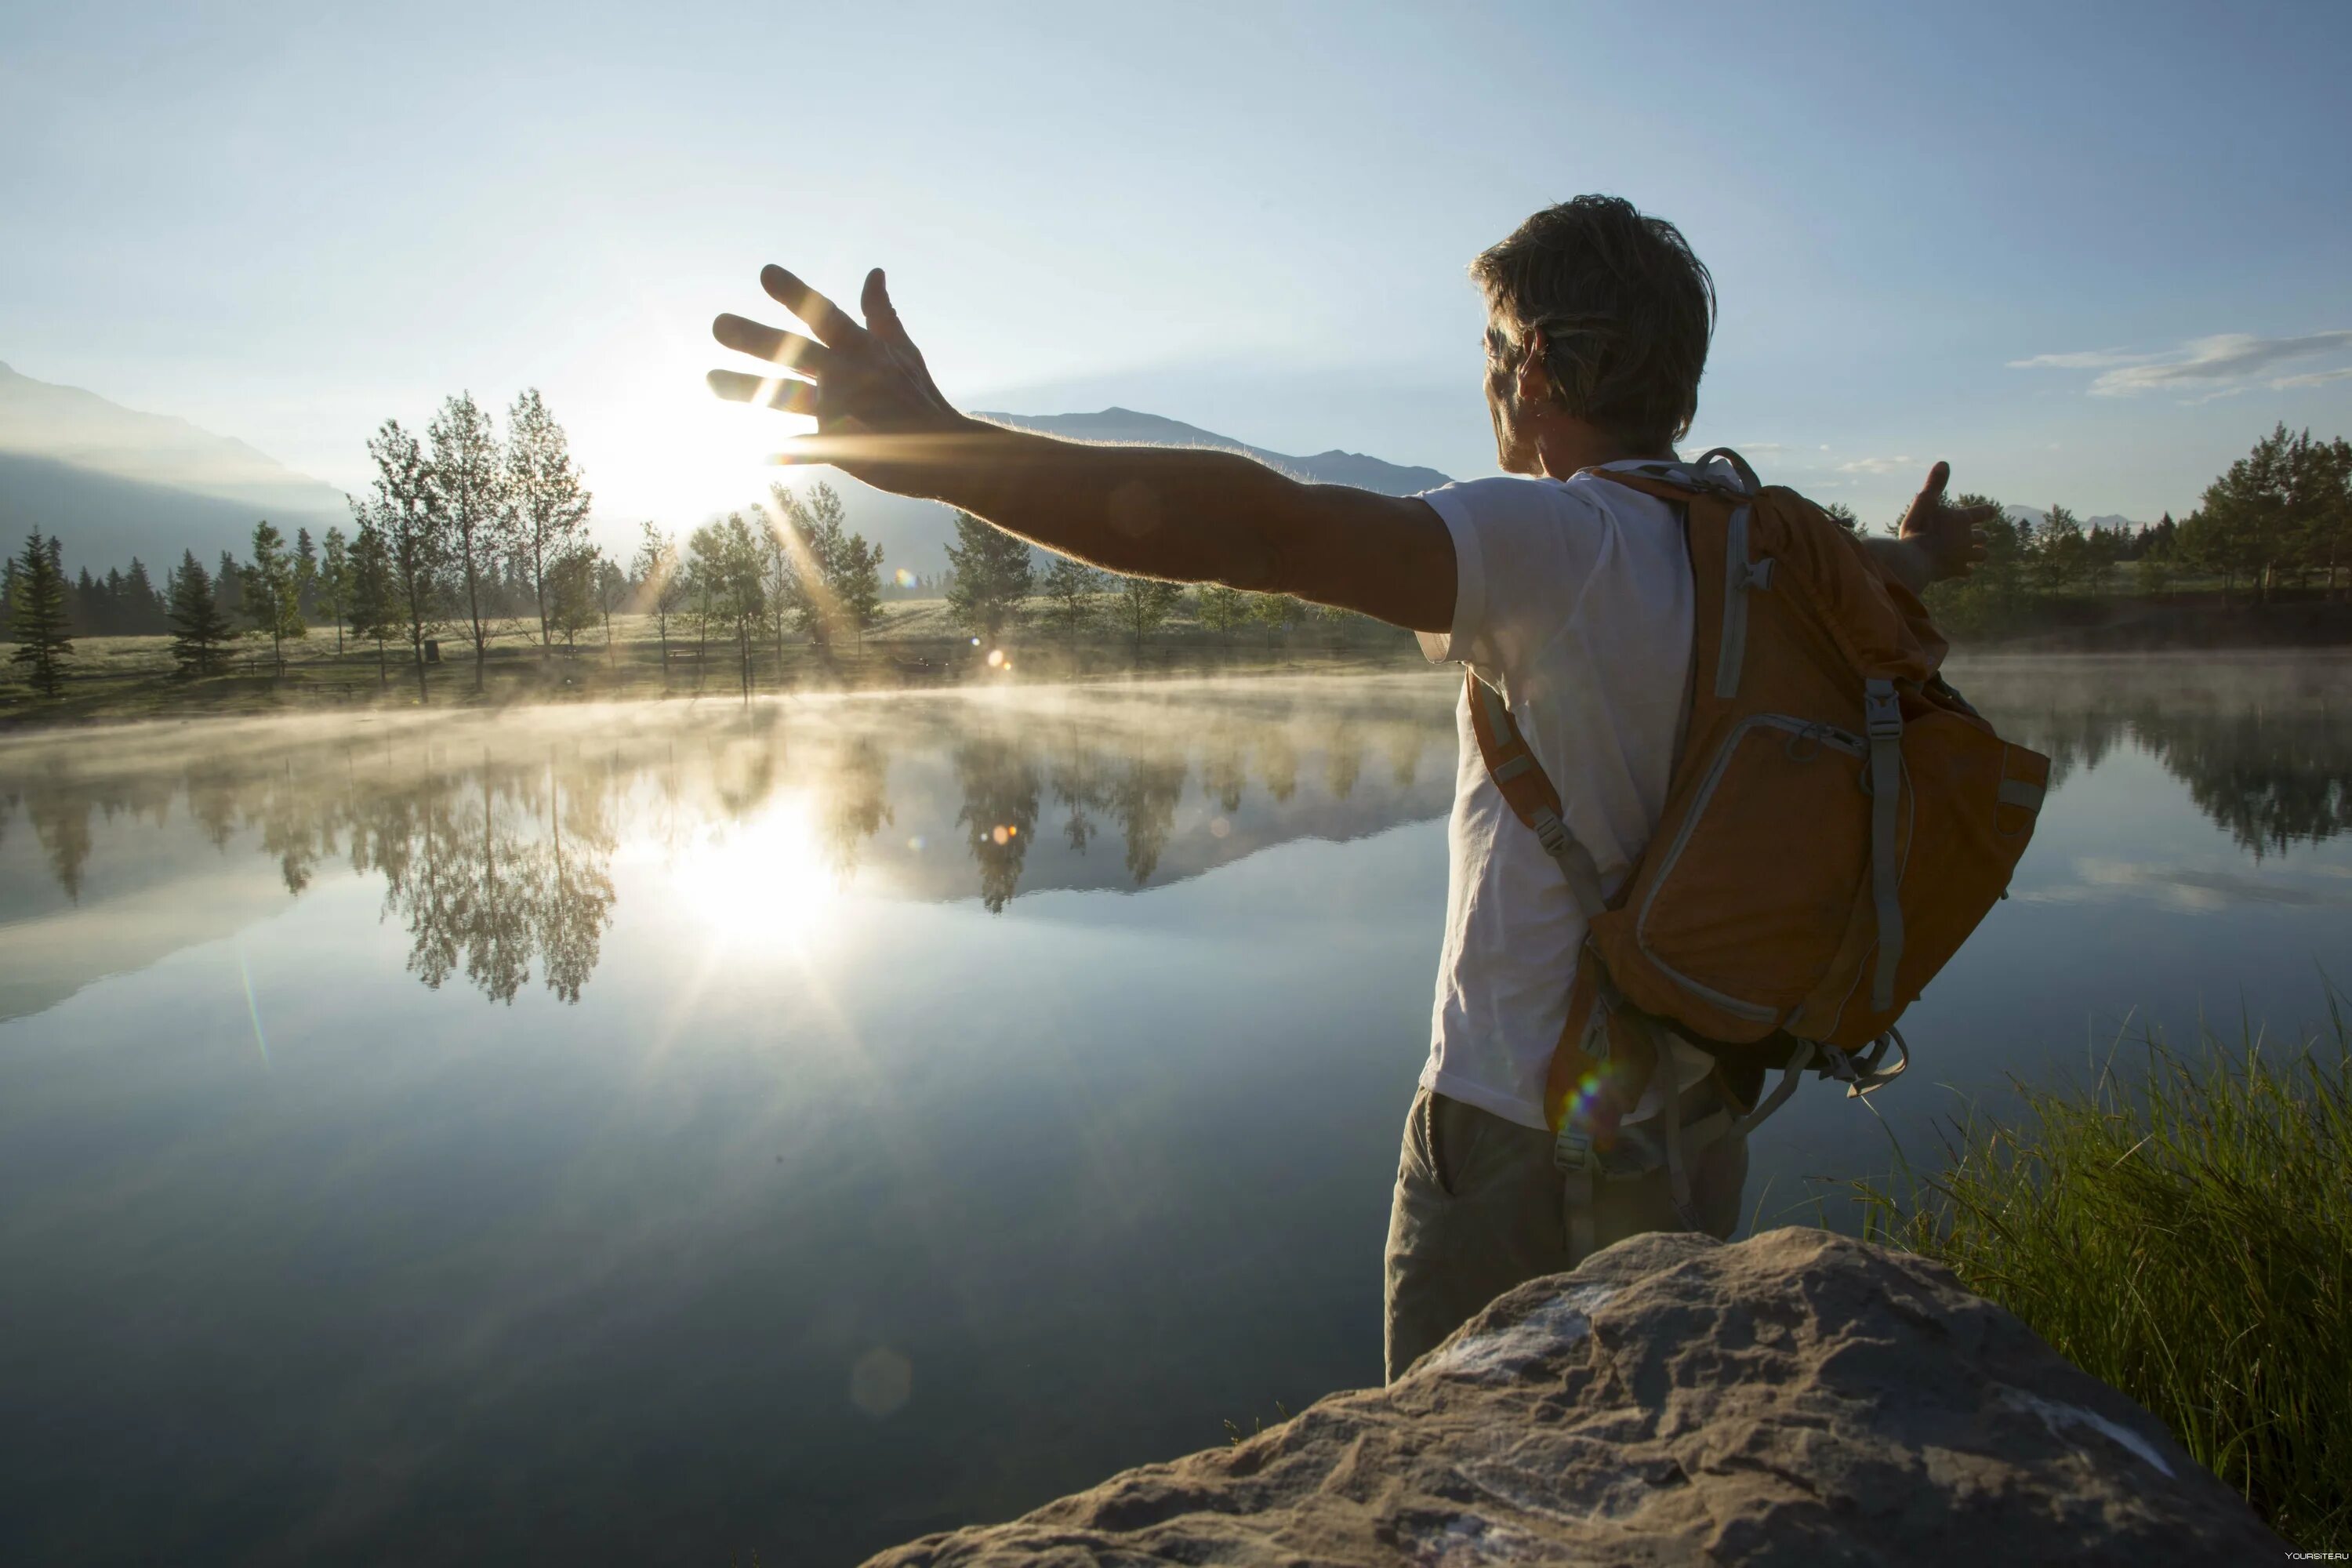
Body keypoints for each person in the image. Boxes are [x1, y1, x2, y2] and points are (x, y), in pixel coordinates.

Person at [706, 195, 1992, 1382]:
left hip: (1516, 1150)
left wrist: (940, 452)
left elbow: (1265, 531)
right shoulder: (1772, 542)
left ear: (1535, 366)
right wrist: (1925, 551)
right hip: (1704, 1121)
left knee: (1457, 1497)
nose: (1487, 377)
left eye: (1494, 348)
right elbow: (1889, 570)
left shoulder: (1554, 543)